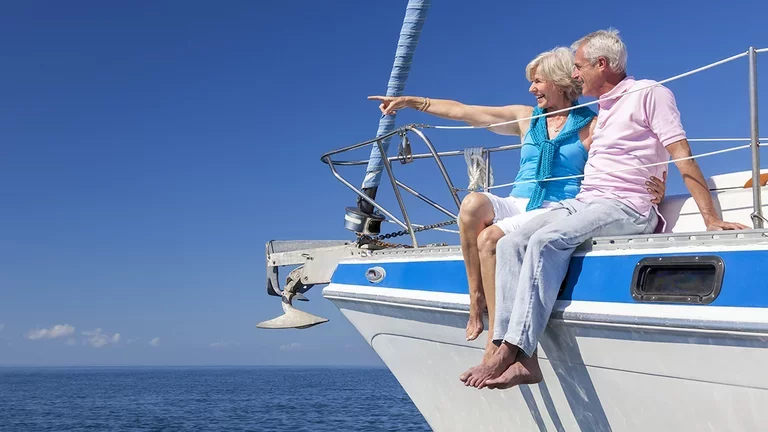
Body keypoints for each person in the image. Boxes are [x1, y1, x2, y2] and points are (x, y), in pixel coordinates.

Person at [459, 29, 749, 390]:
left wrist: (710, 217)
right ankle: (524, 360)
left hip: (626, 205)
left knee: (546, 241)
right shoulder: (603, 109)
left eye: (578, 66)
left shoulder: (649, 93)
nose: (574, 74)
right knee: (511, 243)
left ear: (602, 64)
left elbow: (680, 152)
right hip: (586, 201)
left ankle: (508, 349)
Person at [369, 47, 665, 361]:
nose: (531, 89)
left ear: (559, 81)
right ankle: (476, 299)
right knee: (471, 205)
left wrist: (657, 182)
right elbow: (464, 112)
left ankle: (495, 340)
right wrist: (413, 102)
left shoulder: (591, 125)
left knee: (491, 238)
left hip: (555, 207)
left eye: (538, 81)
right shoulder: (526, 117)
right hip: (517, 201)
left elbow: (631, 152)